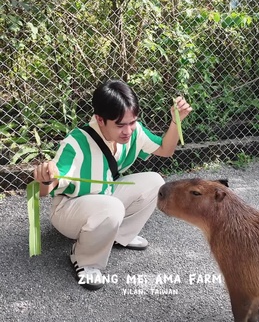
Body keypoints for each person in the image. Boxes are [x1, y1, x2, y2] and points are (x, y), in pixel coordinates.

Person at [33, 79, 192, 290]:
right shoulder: (76, 143)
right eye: (120, 125)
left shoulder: (134, 132)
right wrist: (45, 178)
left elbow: (165, 149)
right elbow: (47, 190)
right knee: (112, 206)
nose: (128, 130)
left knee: (155, 182)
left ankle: (117, 236)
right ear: (100, 119)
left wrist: (176, 122)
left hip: (105, 196)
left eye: (132, 121)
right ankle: (84, 260)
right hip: (69, 210)